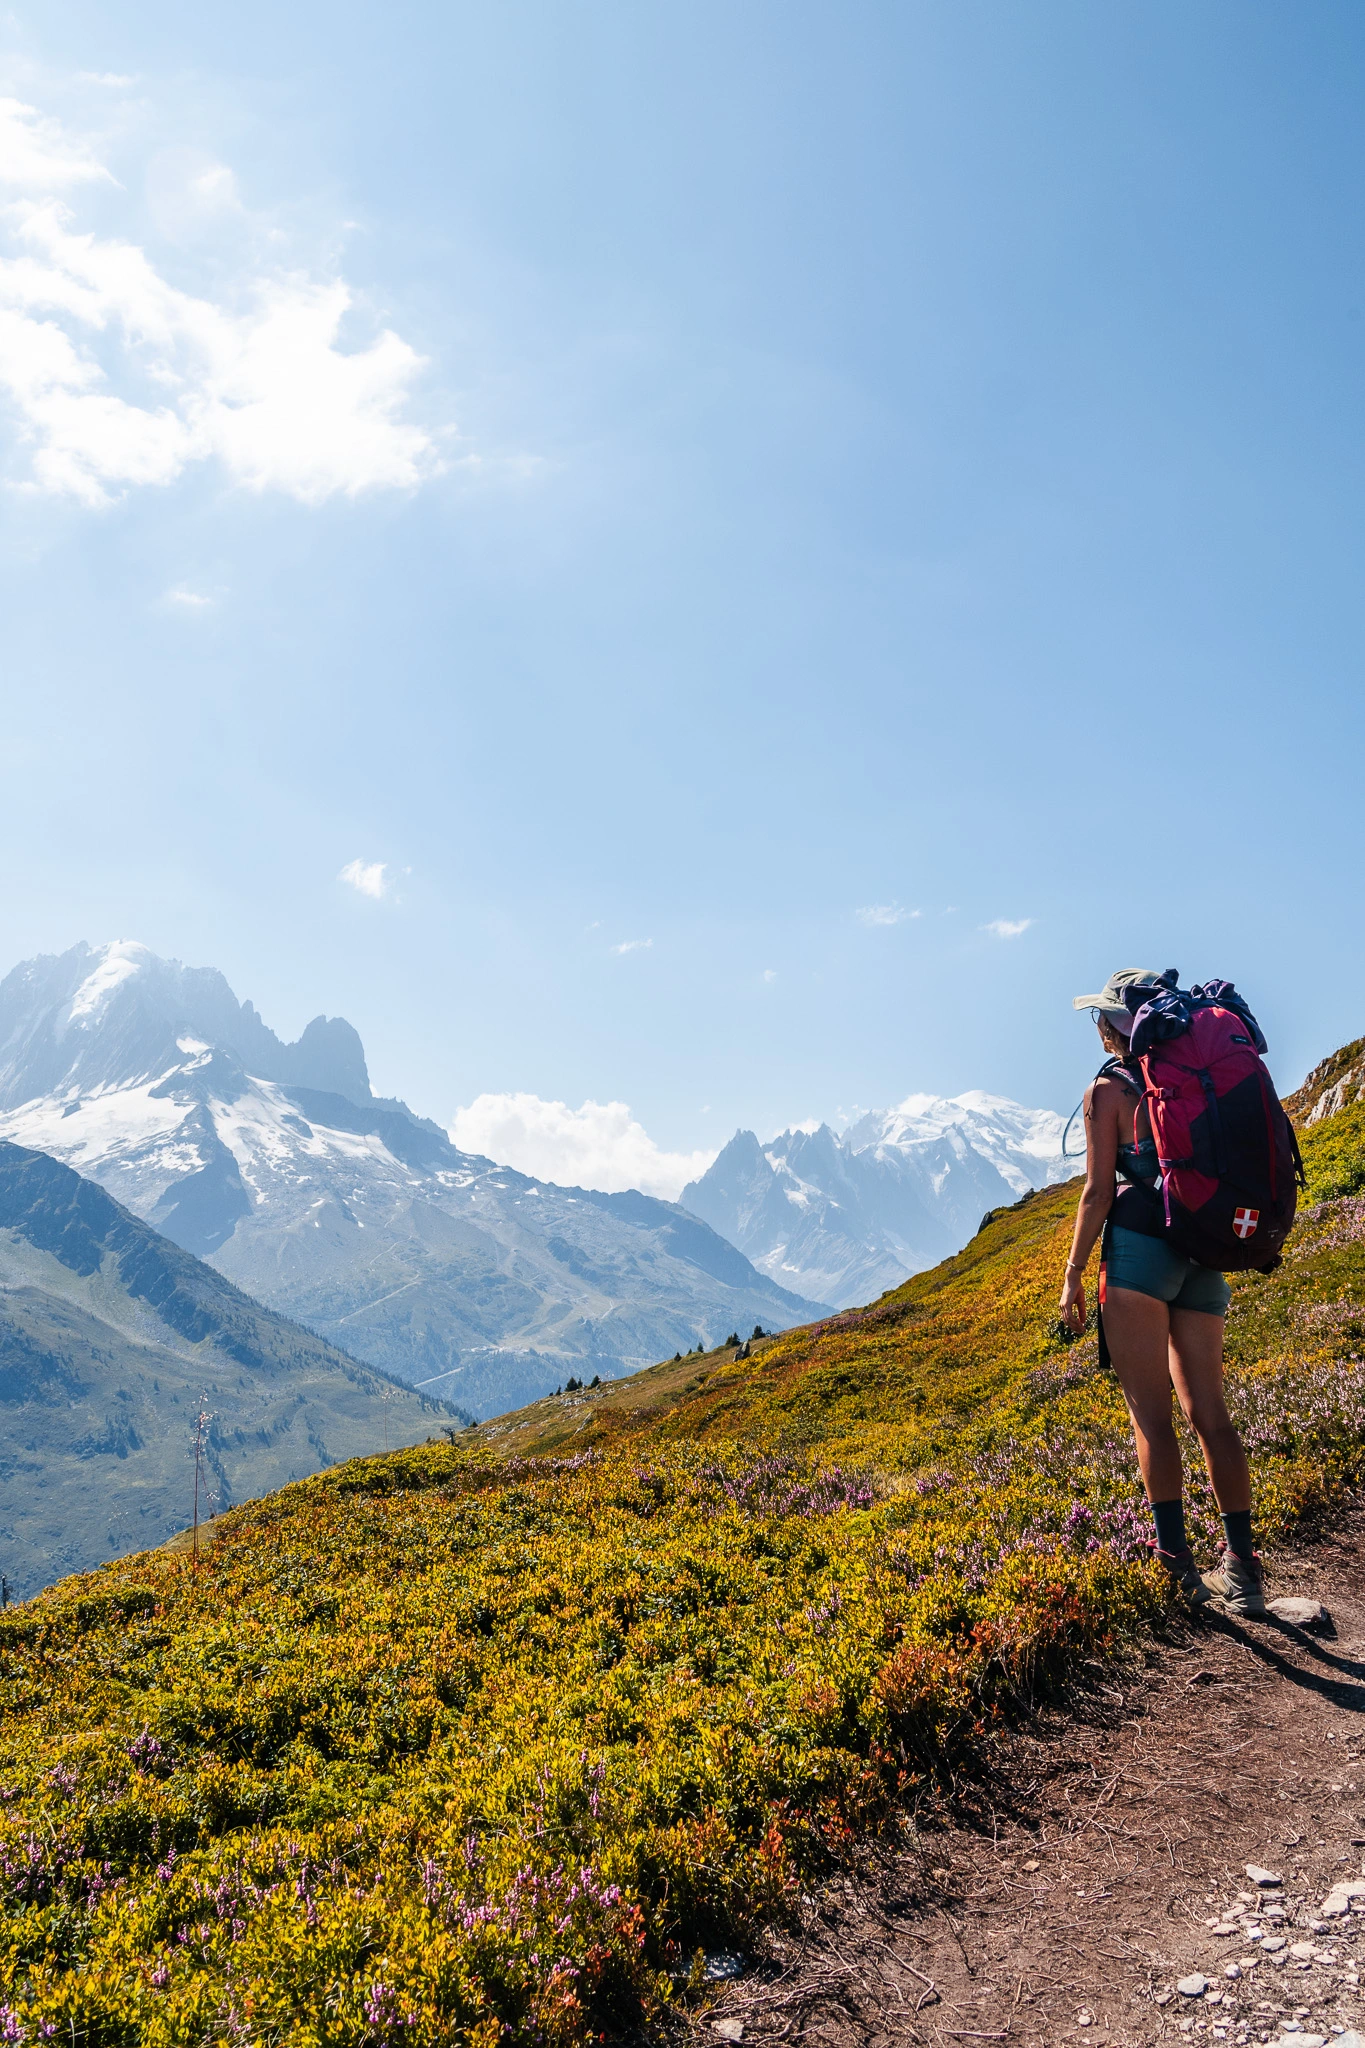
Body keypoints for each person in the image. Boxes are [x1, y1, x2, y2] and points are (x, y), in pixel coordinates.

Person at [1059, 969, 1265, 1619]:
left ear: (1115, 1025)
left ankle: (1175, 1572)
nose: (1094, 1027)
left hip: (1139, 1261)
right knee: (1212, 1413)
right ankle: (1243, 1569)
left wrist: (1070, 1276)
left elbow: (1096, 1192)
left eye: (1099, 1017)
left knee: (1151, 1418)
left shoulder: (1108, 1089)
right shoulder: (1194, 1077)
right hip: (1204, 1253)